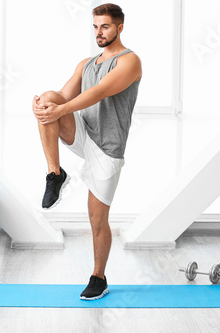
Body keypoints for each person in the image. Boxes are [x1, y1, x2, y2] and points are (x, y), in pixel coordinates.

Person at [32, 3, 141, 300]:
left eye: (104, 26)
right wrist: (43, 105)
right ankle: (55, 174)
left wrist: (61, 109)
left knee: (96, 219)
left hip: (108, 148)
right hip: (84, 133)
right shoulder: (86, 64)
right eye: (95, 26)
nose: (99, 32)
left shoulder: (129, 61)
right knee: (48, 97)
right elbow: (63, 97)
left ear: (119, 27)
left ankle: (98, 277)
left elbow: (100, 91)